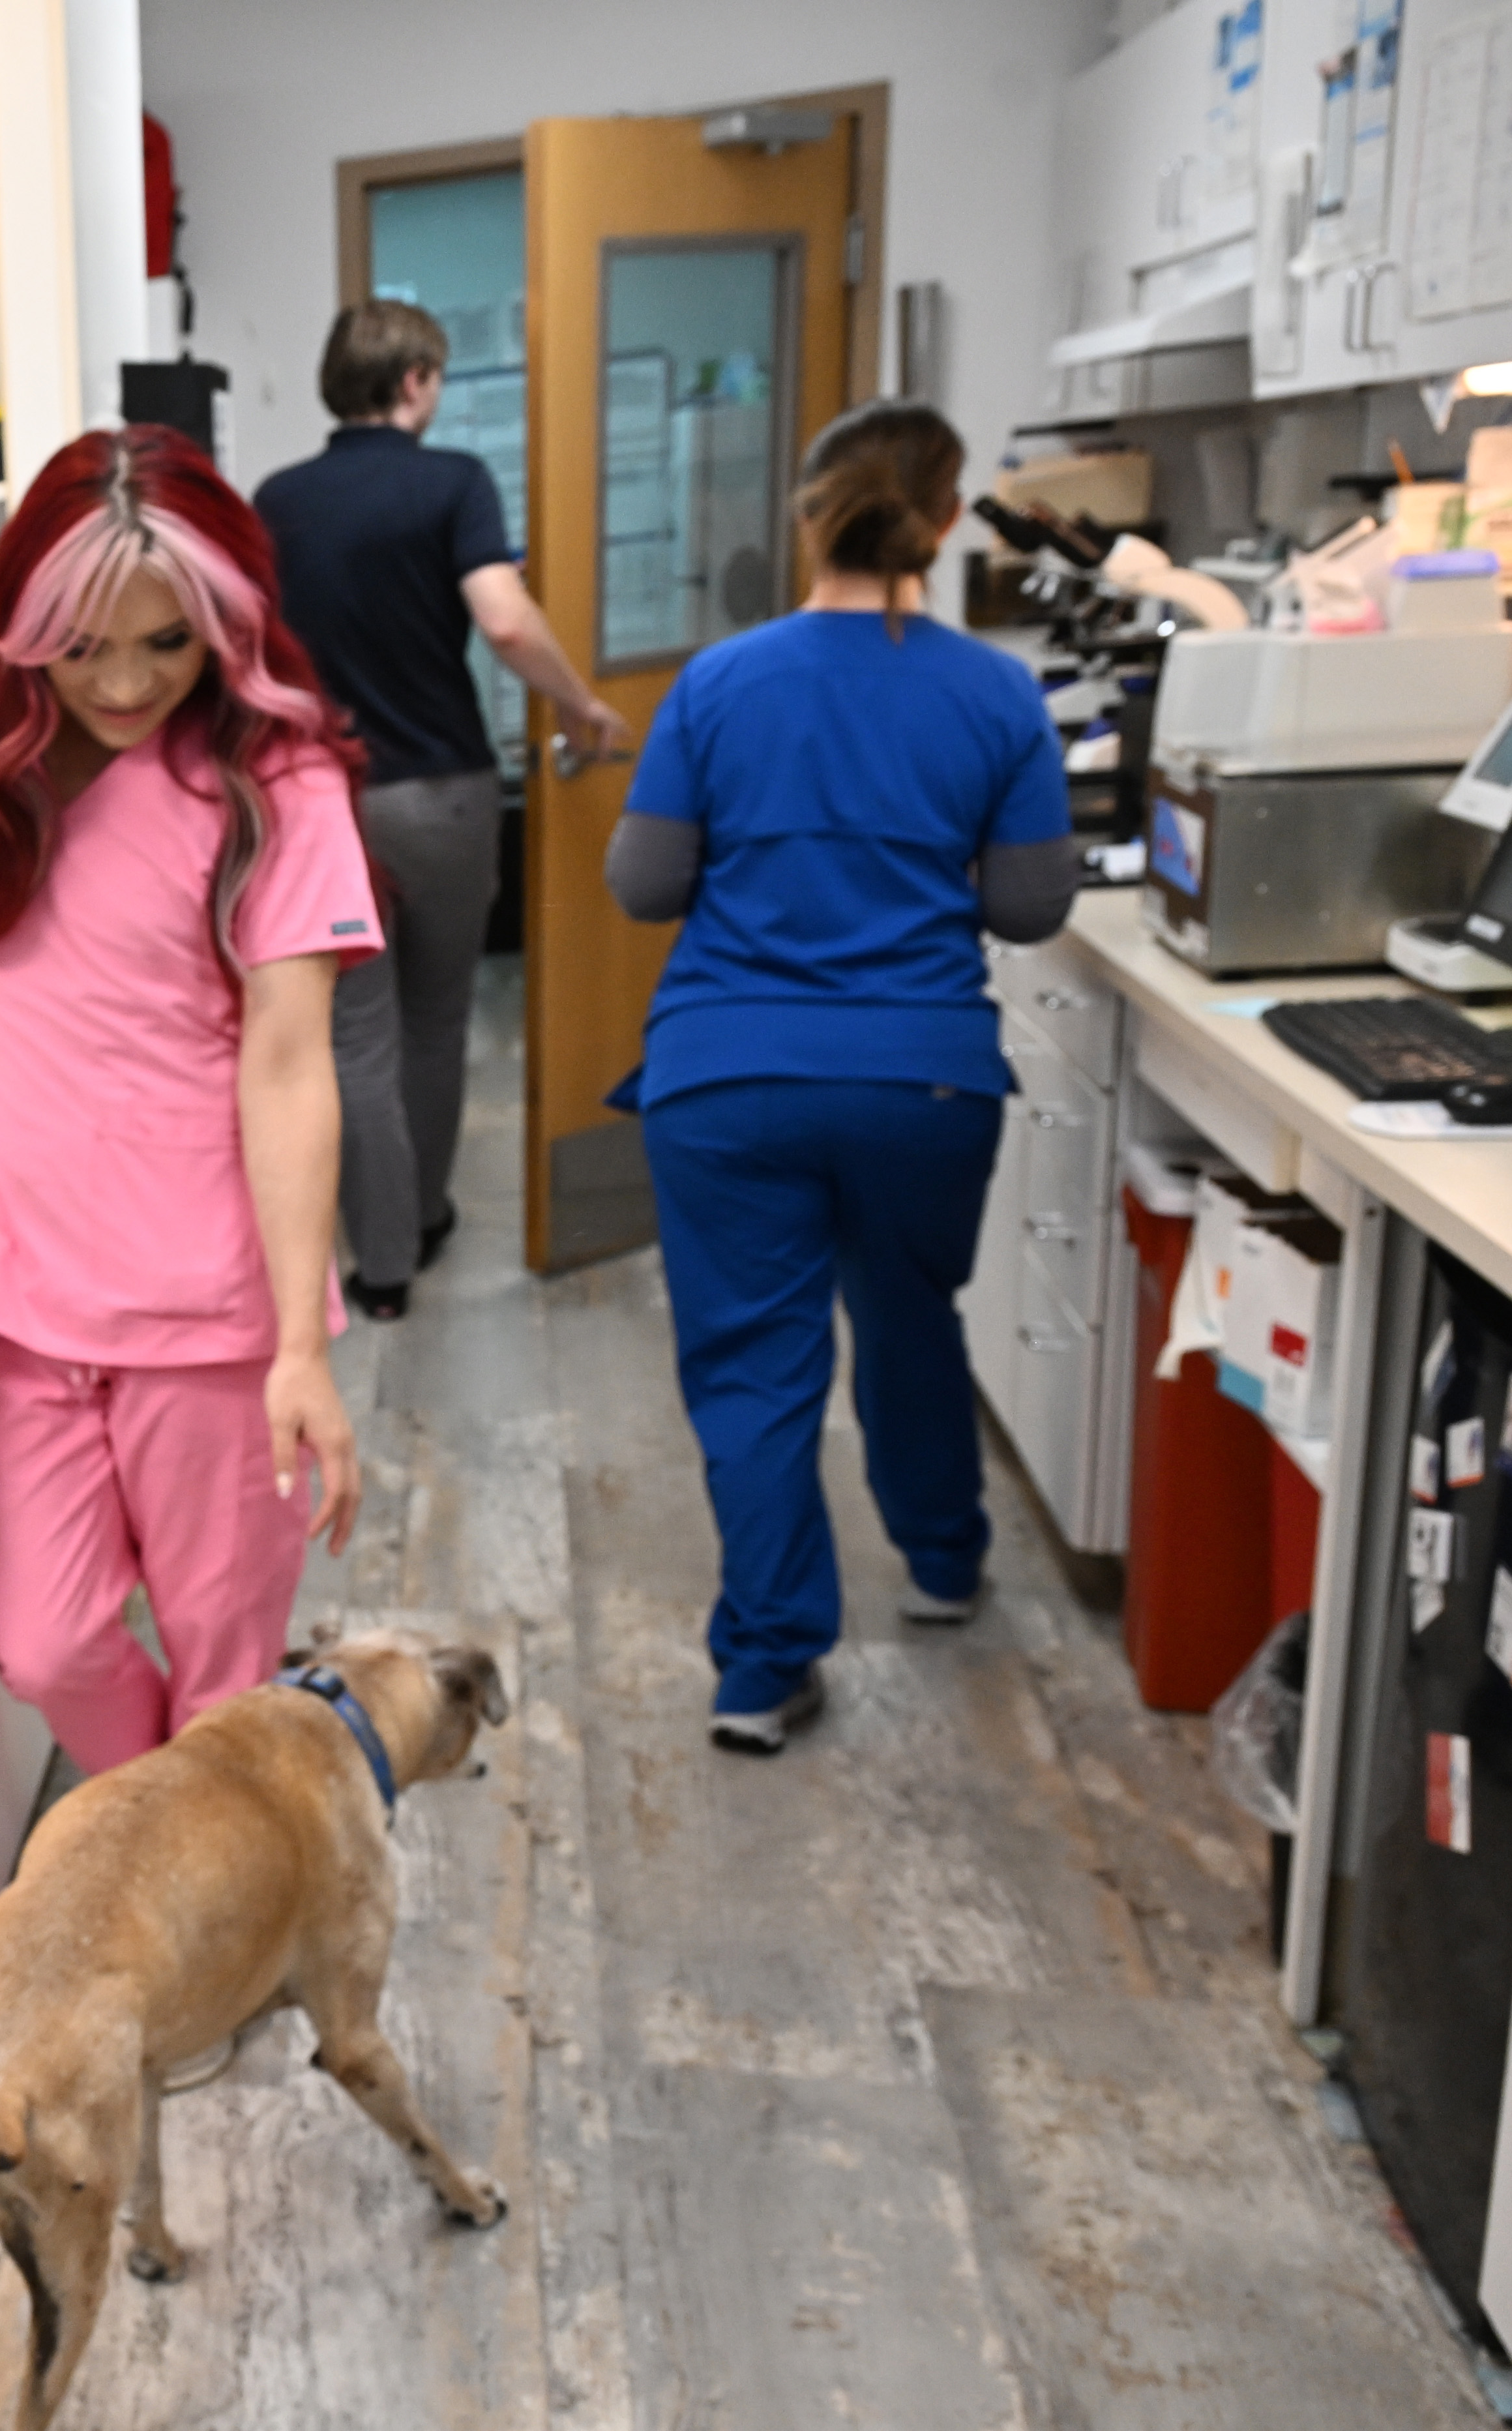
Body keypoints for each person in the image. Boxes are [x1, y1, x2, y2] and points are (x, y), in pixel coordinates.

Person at [0, 425, 369, 1770]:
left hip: (212, 1320)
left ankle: (208, 1920)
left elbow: (290, 1066)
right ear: (27, 625)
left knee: (225, 1679)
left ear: (224, 627)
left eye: (168, 644)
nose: (125, 681)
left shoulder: (276, 781)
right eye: (86, 645)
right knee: (45, 1644)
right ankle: (163, 1836)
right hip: (26, 1295)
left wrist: (301, 1347)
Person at [606, 400, 1075, 1754]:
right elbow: (1035, 906)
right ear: (943, 517)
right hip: (921, 1082)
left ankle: (763, 1668)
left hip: (726, 1079)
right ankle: (941, 1563)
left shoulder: (719, 682)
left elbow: (643, 885)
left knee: (757, 1367)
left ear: (809, 517)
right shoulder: (994, 691)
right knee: (908, 1310)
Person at [254, 299, 632, 1316]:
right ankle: (421, 1219)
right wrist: (583, 704)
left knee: (358, 1039)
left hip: (317, 801)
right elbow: (505, 623)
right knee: (435, 1021)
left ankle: (378, 1272)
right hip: (440, 795)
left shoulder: (275, 500)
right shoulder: (452, 482)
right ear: (416, 379)